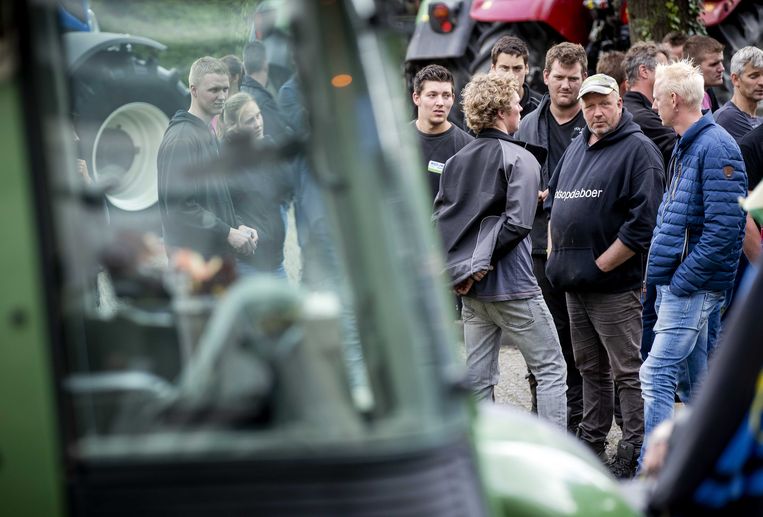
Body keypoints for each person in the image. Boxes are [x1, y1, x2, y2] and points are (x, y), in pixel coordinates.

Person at [545, 73, 664, 478]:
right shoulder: (578, 145)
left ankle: (633, 450)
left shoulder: (639, 151)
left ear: (619, 103)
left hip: (613, 287)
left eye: (603, 103)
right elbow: (556, 200)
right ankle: (592, 443)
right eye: (589, 104)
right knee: (589, 368)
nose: (596, 111)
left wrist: (600, 266)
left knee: (627, 371)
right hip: (575, 285)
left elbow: (642, 224)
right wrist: (559, 253)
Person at [434, 73, 567, 427]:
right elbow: (518, 224)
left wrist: (461, 273)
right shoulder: (520, 158)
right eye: (515, 102)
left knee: (477, 380)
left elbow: (444, 223)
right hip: (513, 286)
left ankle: (482, 452)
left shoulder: (457, 160)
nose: (521, 107)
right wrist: (480, 265)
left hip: (473, 294)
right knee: (552, 368)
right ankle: (555, 457)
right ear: (501, 111)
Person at [640, 60, 747, 467]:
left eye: (656, 97)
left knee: (656, 374)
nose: (652, 104)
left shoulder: (715, 146)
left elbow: (726, 229)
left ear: (672, 99)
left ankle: (654, 473)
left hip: (691, 287)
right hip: (680, 283)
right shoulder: (689, 143)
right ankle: (714, 464)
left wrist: (683, 280)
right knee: (695, 382)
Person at [515, 42, 587, 433]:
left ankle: (577, 419)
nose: (565, 85)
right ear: (545, 77)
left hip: (581, 247)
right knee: (544, 337)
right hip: (540, 246)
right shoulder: (529, 124)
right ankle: (543, 416)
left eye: (573, 78)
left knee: (580, 342)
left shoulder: (592, 124)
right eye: (558, 77)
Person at [157, 56, 258, 260]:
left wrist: (237, 226)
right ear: (193, 90)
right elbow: (180, 208)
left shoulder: (207, 133)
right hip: (193, 265)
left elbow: (215, 197)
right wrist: (227, 233)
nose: (222, 96)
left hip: (213, 259)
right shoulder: (182, 139)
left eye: (225, 89)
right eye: (213, 90)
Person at [221, 93, 293, 276]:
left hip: (276, 261)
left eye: (258, 116)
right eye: (249, 121)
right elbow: (222, 209)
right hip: (248, 264)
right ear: (233, 127)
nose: (258, 124)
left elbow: (284, 193)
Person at [411, 64, 473, 201]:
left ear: (453, 98)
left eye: (446, 96)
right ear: (416, 98)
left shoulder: (468, 148)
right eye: (432, 95)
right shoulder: (399, 141)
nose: (440, 102)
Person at [623, 42, 676, 167]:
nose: (670, 76)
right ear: (644, 71)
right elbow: (683, 151)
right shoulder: (641, 117)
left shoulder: (630, 109)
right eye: (664, 69)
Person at [241, 40, 292, 144]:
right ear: (265, 63)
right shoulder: (263, 102)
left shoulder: (243, 92)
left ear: (244, 66)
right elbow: (281, 138)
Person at [713, 46, 763, 141]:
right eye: (753, 76)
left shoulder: (759, 120)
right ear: (735, 79)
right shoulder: (727, 117)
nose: (761, 82)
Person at [489, 35, 542, 116]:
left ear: (526, 68)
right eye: (504, 68)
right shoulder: (481, 107)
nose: (511, 75)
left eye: (517, 68)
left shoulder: (542, 107)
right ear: (493, 69)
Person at [682, 35, 725, 112]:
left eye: (721, 62)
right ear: (693, 67)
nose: (722, 69)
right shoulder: (686, 100)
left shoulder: (707, 91)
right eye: (714, 64)